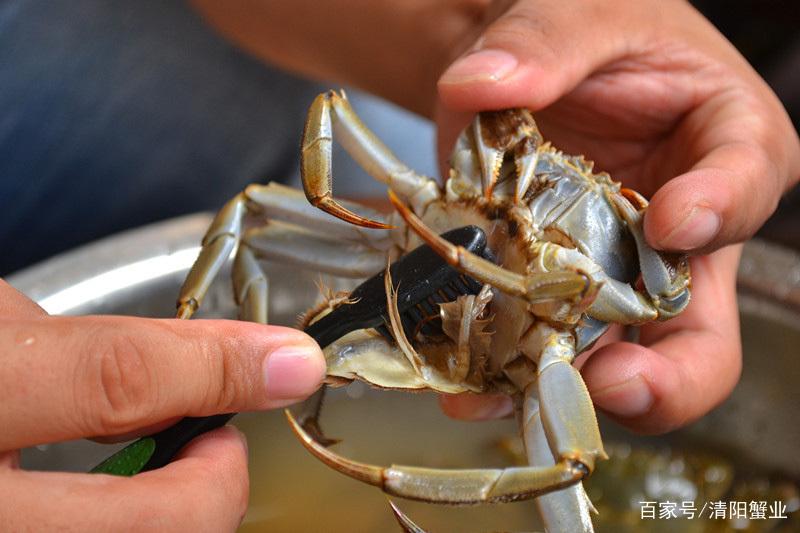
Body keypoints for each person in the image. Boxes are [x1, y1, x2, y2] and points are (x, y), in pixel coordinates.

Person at [1, 0, 798, 529]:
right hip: (417, 236)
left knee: (566, 469)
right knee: (245, 197)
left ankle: (382, 472)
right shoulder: (486, 176)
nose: (561, 189)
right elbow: (316, 135)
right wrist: (476, 39)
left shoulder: (607, 275)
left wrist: (476, 32)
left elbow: (657, 298)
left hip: (553, 325)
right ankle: (225, 346)